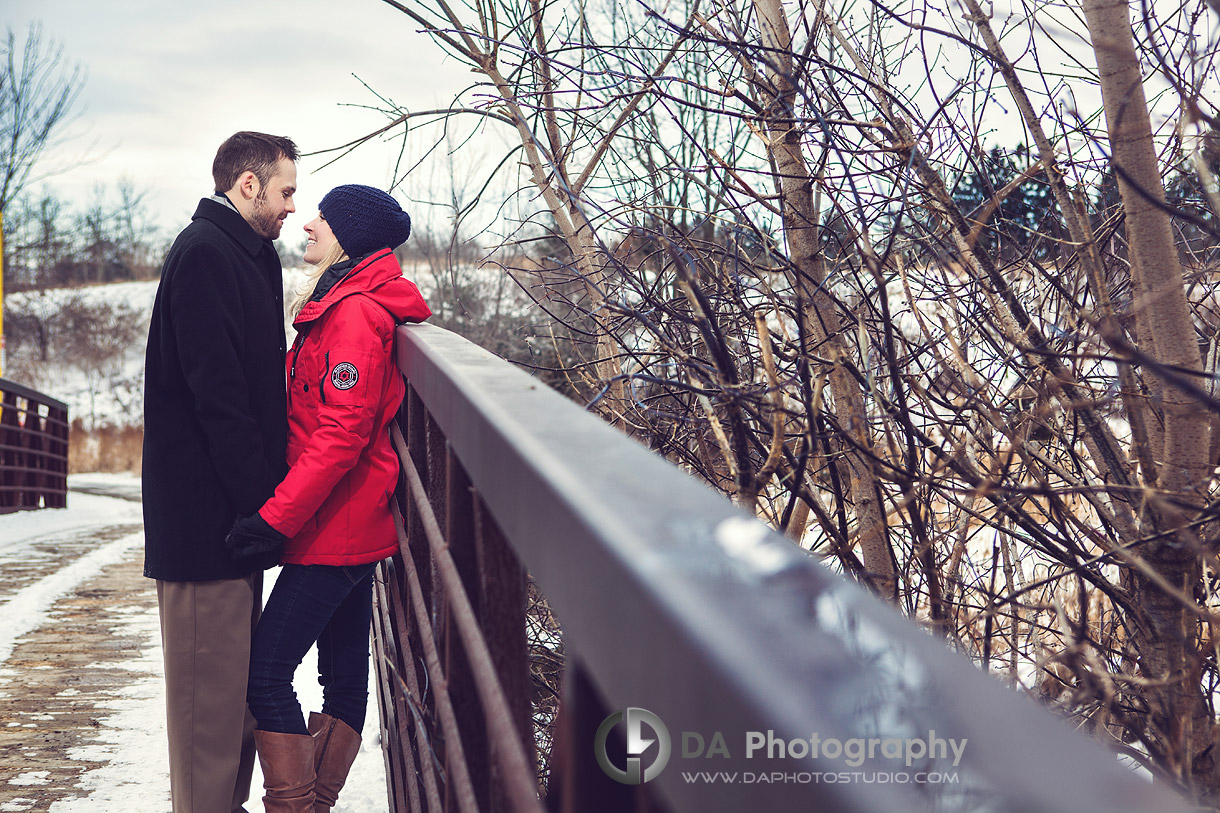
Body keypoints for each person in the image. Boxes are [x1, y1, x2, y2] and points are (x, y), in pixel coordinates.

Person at [225, 184, 431, 812]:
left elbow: (342, 436)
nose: (309, 222)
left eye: (324, 215)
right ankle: (314, 805)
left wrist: (272, 518)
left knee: (264, 676)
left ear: (350, 236)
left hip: (334, 529)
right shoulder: (344, 302)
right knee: (343, 680)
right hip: (346, 521)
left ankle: (299, 806)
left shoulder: (353, 315)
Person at [143, 131, 299, 812]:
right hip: (209, 531)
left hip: (231, 526)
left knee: (229, 715)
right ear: (247, 184)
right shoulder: (206, 254)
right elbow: (221, 397)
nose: (293, 205)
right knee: (209, 732)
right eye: (285, 190)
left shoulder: (243, 253)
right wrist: (266, 508)